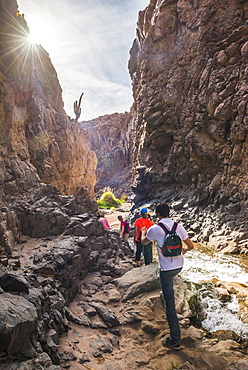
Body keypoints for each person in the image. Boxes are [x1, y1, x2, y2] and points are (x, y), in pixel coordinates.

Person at [140, 202, 194, 350]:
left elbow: (144, 242)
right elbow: (191, 246)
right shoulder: (178, 227)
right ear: (169, 212)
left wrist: (144, 231)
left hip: (166, 270)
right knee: (168, 291)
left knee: (169, 305)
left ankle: (175, 340)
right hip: (179, 267)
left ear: (158, 214)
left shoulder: (155, 229)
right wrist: (182, 250)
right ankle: (168, 295)